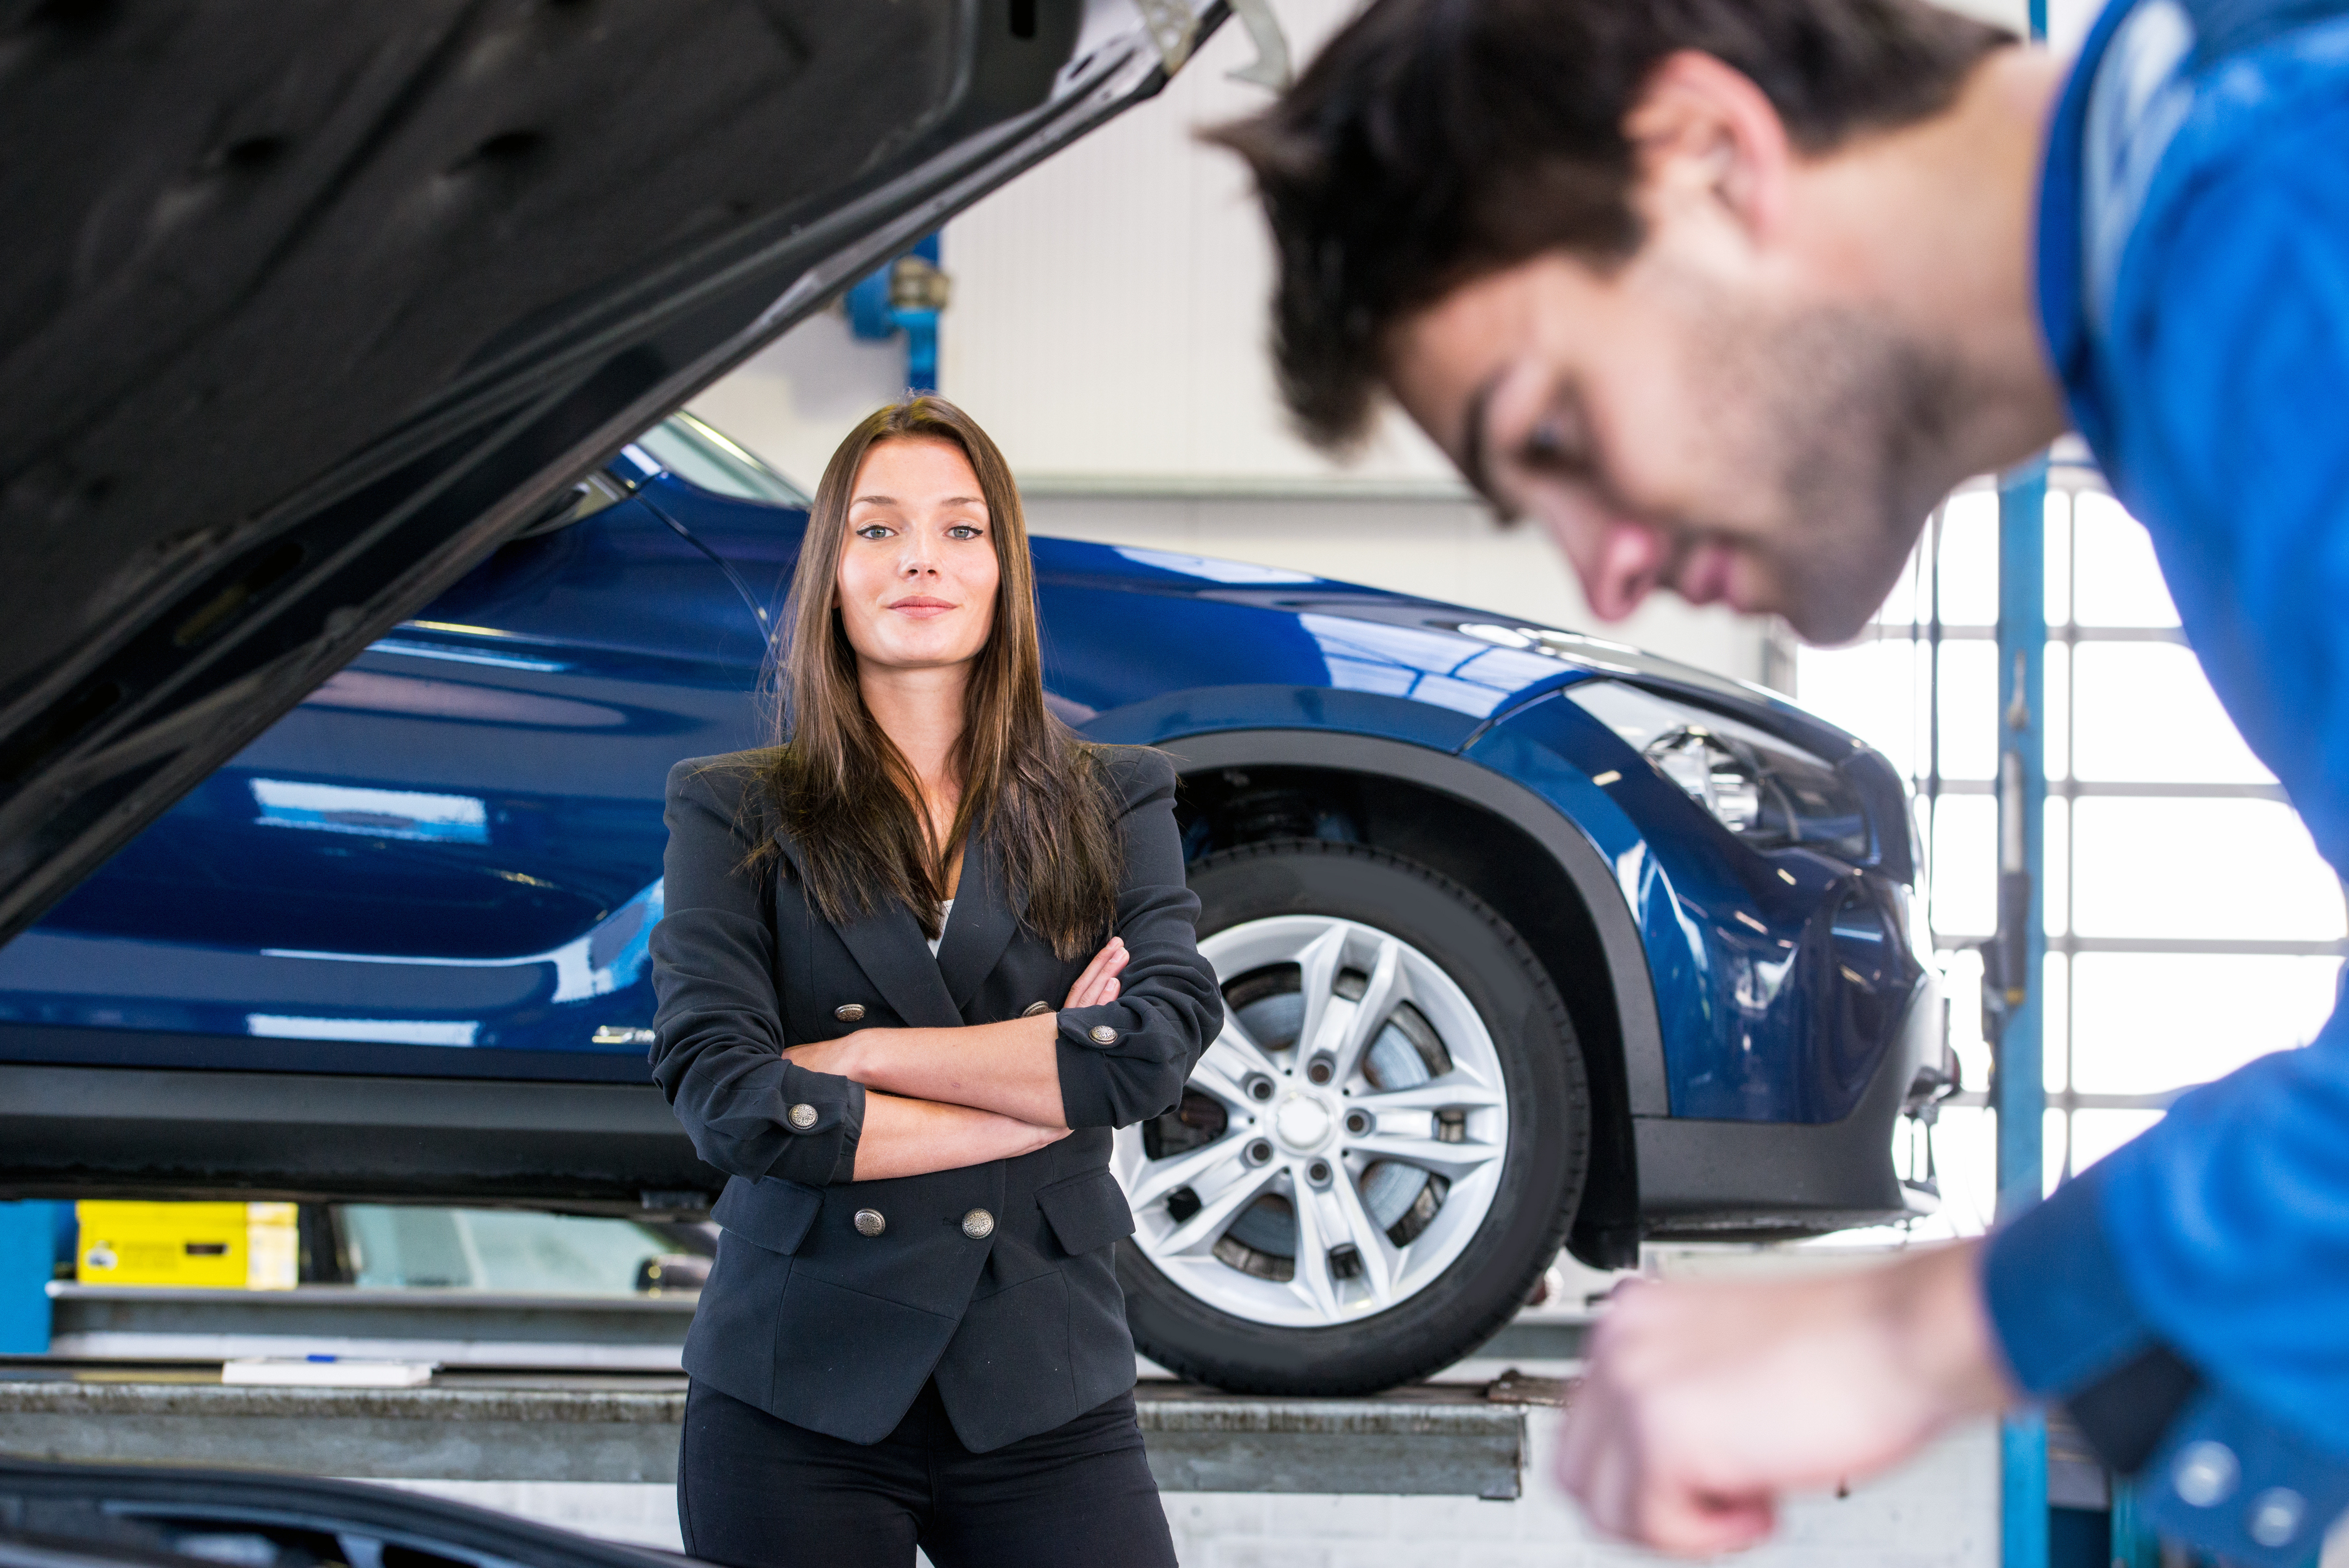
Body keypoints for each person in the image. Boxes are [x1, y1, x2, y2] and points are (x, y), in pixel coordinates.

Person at [1210, 0, 2349, 1559]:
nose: (1605, 579)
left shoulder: (2279, 211)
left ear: (1707, 159)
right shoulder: (2212, 221)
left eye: (1552, 429)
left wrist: (1926, 1330)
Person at [648, 395, 1218, 1568]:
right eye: (878, 530)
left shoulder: (1117, 795)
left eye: (962, 530)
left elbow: (1158, 1045)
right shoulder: (733, 807)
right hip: (794, 1388)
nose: (921, 559)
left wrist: (856, 1060)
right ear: (830, 575)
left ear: (1005, 571)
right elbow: (727, 1096)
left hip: (1042, 1383)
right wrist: (1049, 1077)